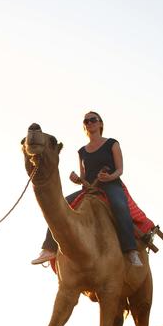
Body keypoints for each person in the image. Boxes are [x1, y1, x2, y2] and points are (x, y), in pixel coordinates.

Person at [31, 110, 143, 267]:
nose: (90, 123)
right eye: (86, 121)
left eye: (93, 120)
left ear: (100, 123)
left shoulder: (112, 143)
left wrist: (110, 177)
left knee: (119, 205)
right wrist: (77, 180)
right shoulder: (82, 151)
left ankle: (131, 250)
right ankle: (49, 248)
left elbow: (120, 169)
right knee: (59, 206)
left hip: (110, 184)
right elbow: (84, 178)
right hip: (90, 189)